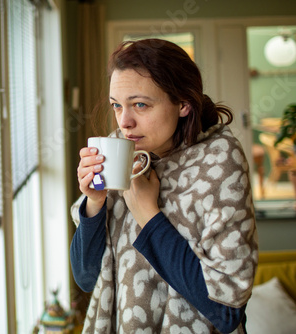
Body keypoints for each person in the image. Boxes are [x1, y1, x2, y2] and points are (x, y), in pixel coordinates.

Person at [70, 39, 258, 333]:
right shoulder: (120, 150)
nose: (125, 121)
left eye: (140, 104)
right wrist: (93, 204)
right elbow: (87, 279)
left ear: (183, 103)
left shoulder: (220, 161)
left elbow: (226, 311)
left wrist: (148, 216)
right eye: (117, 106)